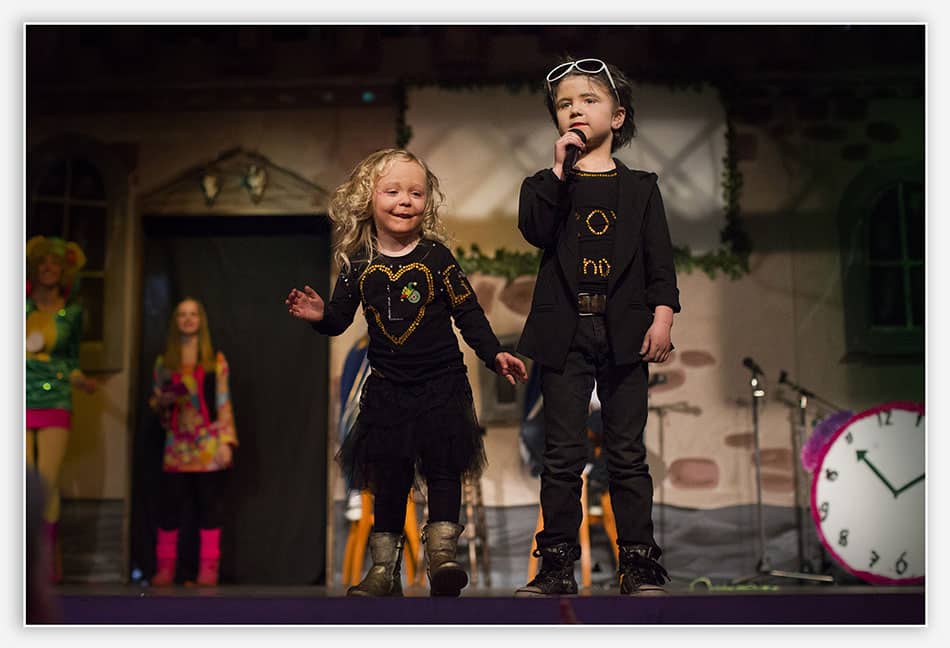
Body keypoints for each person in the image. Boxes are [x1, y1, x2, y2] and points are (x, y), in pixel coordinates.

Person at [286, 148, 527, 597]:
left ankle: (442, 558)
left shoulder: (436, 258)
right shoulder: (360, 262)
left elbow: (469, 313)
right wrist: (321, 315)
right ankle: (384, 570)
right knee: (390, 476)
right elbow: (339, 319)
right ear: (369, 198)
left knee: (443, 468)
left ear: (427, 202)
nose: (405, 200)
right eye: (393, 191)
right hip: (389, 391)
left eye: (415, 193)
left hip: (441, 385)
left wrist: (494, 354)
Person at [514, 57, 681, 597]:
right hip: (566, 333)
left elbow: (660, 261)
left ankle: (638, 564)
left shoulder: (641, 188)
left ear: (618, 114)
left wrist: (663, 315)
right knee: (562, 456)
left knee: (628, 453)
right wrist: (561, 172)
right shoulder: (545, 184)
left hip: (626, 332)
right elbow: (537, 232)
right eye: (565, 104)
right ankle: (557, 565)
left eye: (588, 100)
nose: (575, 110)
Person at [148, 297, 238, 586]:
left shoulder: (215, 361)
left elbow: (223, 403)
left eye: (193, 314)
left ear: (201, 321)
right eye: (182, 315)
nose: (188, 319)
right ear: (175, 322)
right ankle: (165, 568)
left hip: (208, 443)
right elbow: (156, 404)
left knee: (209, 506)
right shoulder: (165, 362)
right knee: (170, 507)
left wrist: (226, 442)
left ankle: (208, 570)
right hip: (177, 444)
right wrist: (162, 401)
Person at [25, 235, 97, 584]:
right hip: (17, 397)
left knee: (45, 482)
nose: (48, 268)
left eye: (55, 263)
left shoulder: (72, 313)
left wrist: (81, 380)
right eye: (43, 263)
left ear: (64, 270)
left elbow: (71, 361)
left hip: (54, 401)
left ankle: (43, 563)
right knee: (18, 482)